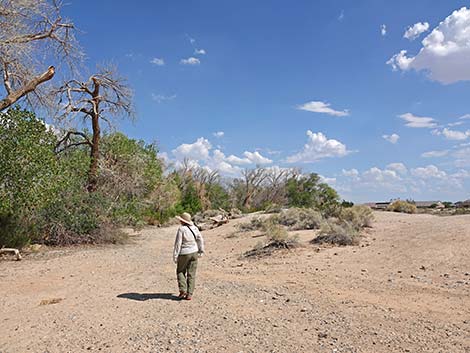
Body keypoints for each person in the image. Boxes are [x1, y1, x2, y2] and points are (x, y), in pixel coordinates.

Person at [173, 212, 205, 300]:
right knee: (192, 274)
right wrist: (201, 250)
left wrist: (175, 255)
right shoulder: (194, 228)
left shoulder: (181, 229)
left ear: (182, 221)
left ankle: (183, 290)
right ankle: (189, 293)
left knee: (180, 271)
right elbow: (200, 239)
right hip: (194, 252)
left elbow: (178, 243)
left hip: (184, 253)